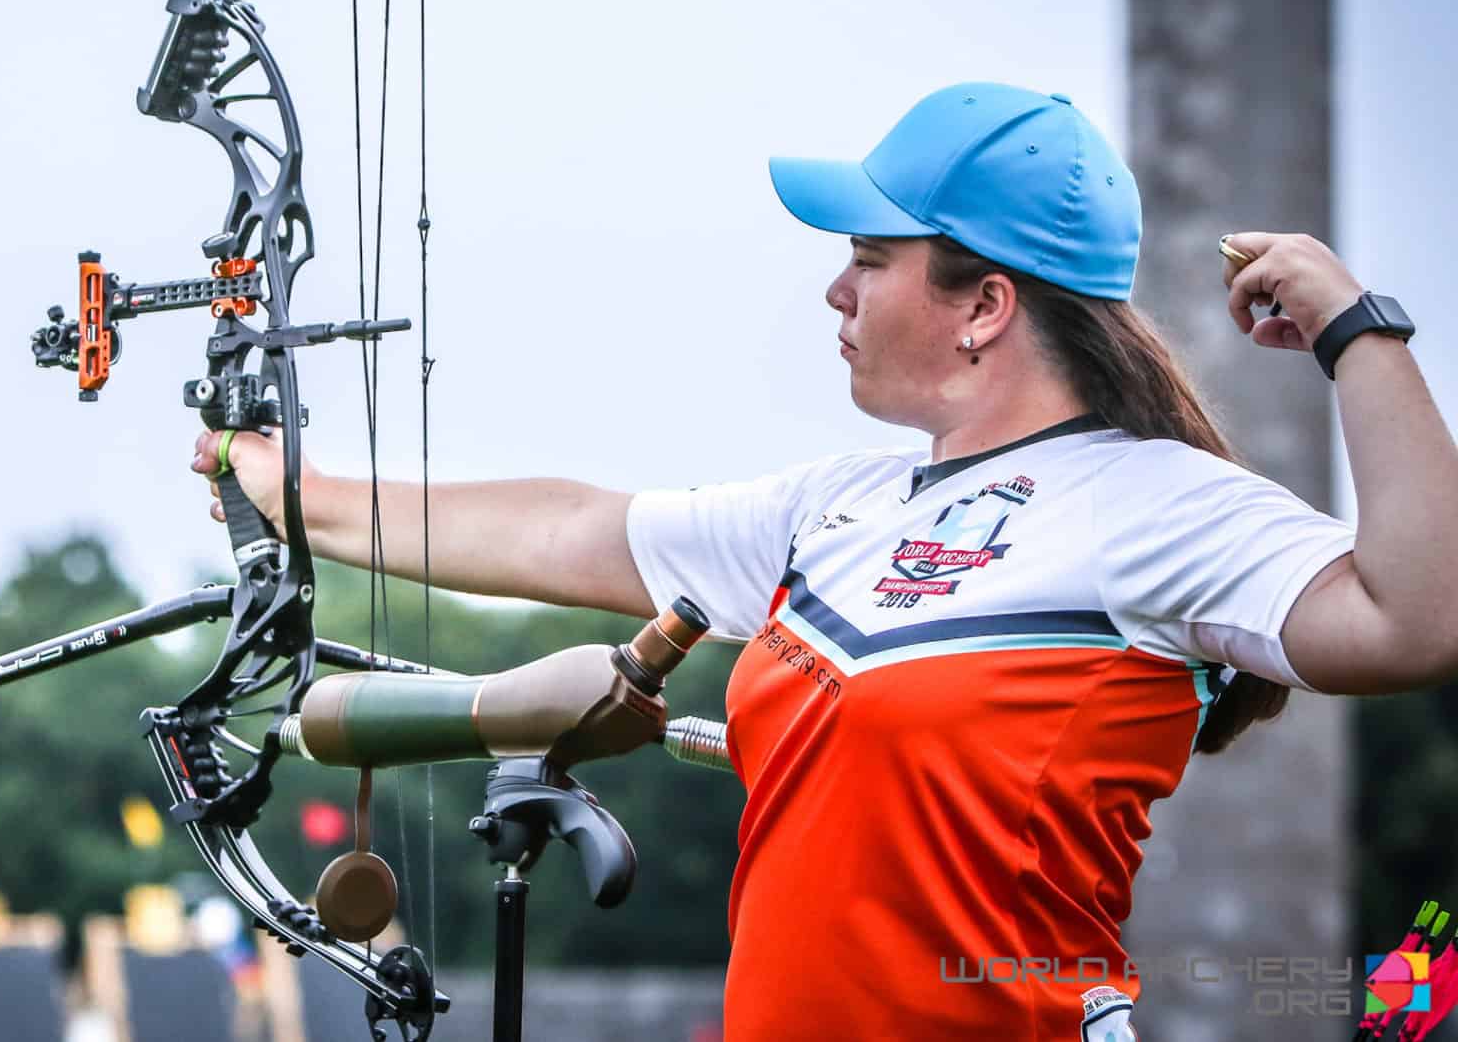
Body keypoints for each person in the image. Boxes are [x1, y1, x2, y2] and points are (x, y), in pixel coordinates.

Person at [190, 82, 1457, 1039]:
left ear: (982, 306)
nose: (835, 293)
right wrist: (296, 493)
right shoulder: (838, 510)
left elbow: (1414, 619)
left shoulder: (1159, 504)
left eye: (868, 257)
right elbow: (571, 527)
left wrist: (1357, 331)